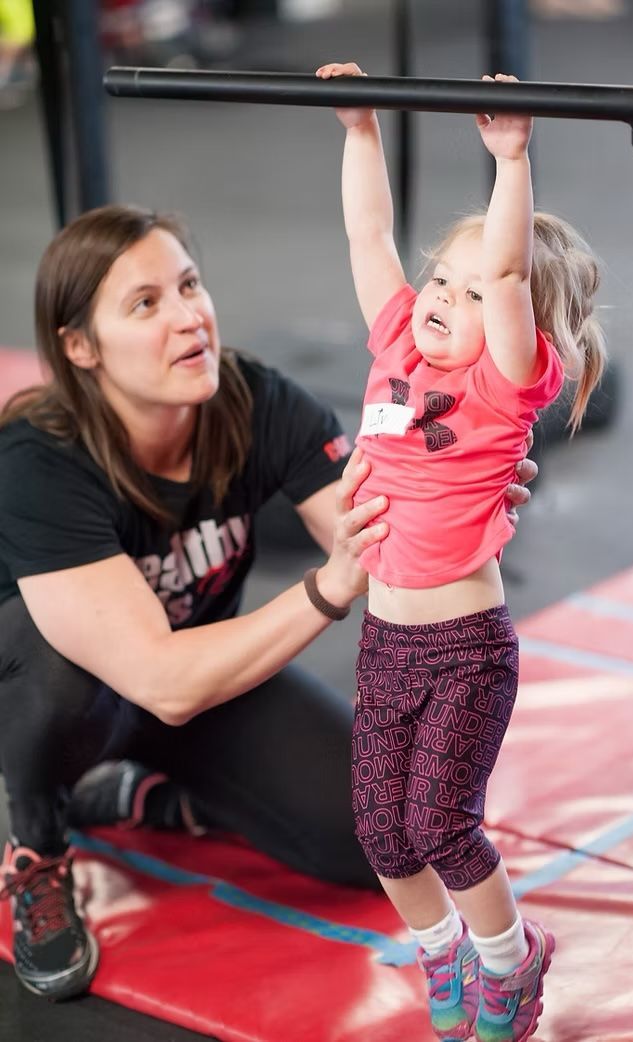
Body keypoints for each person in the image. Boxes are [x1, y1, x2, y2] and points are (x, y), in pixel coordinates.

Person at [0, 203, 537, 1003]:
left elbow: (375, 533)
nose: (189, 318)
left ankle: (144, 797)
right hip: (91, 691)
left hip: (208, 670)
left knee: (376, 837)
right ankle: (37, 842)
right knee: (61, 681)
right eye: (146, 304)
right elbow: (159, 677)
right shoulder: (39, 459)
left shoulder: (257, 402)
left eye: (189, 285)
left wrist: (461, 485)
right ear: (80, 348)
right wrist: (327, 586)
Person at [316, 61, 606, 1042]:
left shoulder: (501, 383)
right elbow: (366, 233)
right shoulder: (396, 340)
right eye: (441, 276)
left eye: (466, 289)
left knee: (441, 825)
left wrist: (509, 159)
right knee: (381, 831)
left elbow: (512, 271)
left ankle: (505, 957)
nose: (442, 295)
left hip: (463, 649)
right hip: (385, 644)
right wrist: (358, 129)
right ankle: (440, 946)